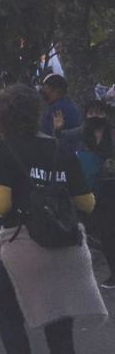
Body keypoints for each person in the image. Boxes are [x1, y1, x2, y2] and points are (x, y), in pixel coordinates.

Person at [0, 84, 107, 354]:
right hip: (65, 246)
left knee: (9, 314)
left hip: (23, 246)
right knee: (60, 323)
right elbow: (87, 204)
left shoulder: (4, 149)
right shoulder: (60, 149)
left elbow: (1, 204)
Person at [57, 100, 115, 288]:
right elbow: (62, 138)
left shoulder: (112, 133)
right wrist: (57, 129)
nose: (95, 116)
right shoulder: (82, 132)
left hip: (110, 187)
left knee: (108, 231)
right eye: (91, 112)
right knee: (100, 231)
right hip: (90, 189)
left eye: (99, 112)